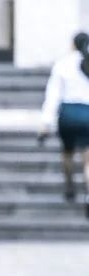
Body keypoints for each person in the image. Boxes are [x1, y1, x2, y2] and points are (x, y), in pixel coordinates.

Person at [40, 32, 89, 217]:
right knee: (88, 160)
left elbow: (53, 96)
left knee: (67, 152)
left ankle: (69, 184)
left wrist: (46, 122)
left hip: (68, 113)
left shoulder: (63, 64)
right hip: (87, 112)